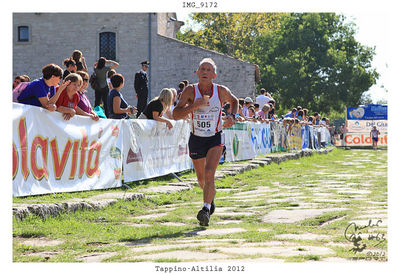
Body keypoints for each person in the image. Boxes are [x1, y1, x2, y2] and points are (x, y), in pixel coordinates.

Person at [173, 58, 238, 226]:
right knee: (202, 179)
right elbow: (176, 114)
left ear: (214, 75)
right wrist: (195, 106)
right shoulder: (190, 91)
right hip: (196, 138)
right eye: (202, 69)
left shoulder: (221, 91)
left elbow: (235, 101)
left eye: (209, 70)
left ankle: (205, 210)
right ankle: (210, 198)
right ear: (197, 73)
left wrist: (232, 116)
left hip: (215, 137)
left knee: (210, 173)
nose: (205, 72)